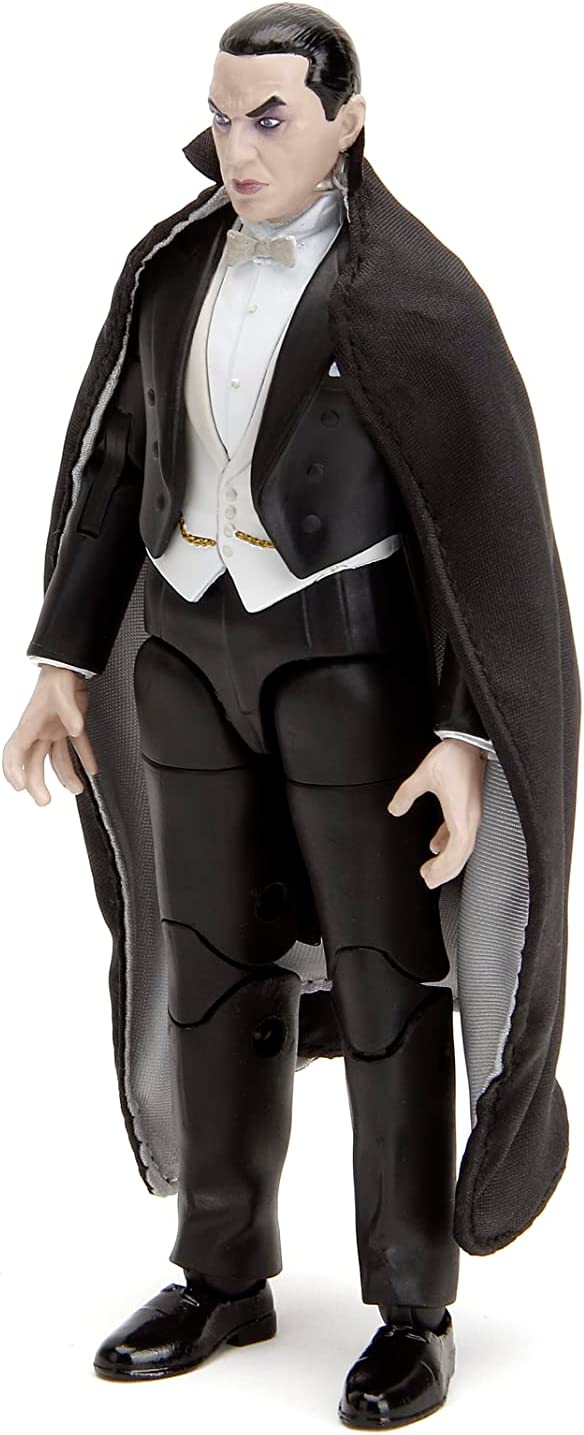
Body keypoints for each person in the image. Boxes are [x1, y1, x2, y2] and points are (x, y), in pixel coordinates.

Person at [2, 5, 579, 1428]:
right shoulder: (169, 267)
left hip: (348, 663)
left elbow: (487, 541)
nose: (237, 146)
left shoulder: (417, 298)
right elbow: (114, 472)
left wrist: (467, 735)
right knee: (209, 969)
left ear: (347, 120)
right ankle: (220, 1268)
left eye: (271, 117)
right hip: (184, 660)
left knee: (389, 985)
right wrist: (63, 662)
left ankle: (412, 1303)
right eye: (222, 116)